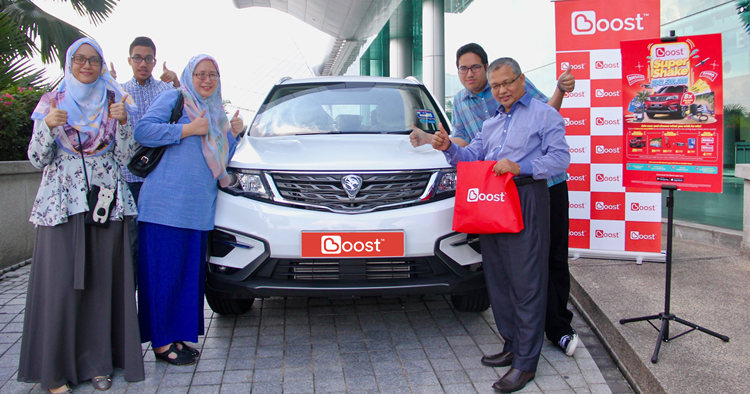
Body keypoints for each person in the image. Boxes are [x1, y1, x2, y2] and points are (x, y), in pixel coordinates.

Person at [414, 42, 580, 358]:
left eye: (506, 83)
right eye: (496, 85)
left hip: (535, 191)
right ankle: (514, 342)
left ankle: (546, 338)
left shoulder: (535, 108)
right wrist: (444, 145)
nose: (501, 89)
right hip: (495, 198)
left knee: (538, 269)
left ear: (520, 81)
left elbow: (557, 147)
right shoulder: (481, 115)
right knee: (502, 274)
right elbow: (471, 151)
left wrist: (522, 166)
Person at [18, 37, 144, 393]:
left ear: (102, 65)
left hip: (105, 203)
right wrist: (46, 126)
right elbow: (37, 158)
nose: (88, 66)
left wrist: (122, 124)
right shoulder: (51, 102)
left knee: (101, 284)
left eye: (94, 60)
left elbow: (125, 156)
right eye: (80, 60)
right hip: (62, 203)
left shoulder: (114, 101)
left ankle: (98, 364)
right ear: (69, 63)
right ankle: (55, 369)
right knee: (60, 286)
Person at [134, 54, 243, 366]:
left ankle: (178, 337)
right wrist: (187, 130)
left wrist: (233, 133)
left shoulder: (216, 112)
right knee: (162, 275)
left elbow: (222, 159)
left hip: (197, 209)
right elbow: (143, 130)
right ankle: (161, 343)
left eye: (212, 74)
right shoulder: (175, 99)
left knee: (185, 277)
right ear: (189, 76)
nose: (206, 80)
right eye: (200, 74)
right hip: (164, 208)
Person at [116, 36, 180, 277]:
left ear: (155, 61)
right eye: (137, 58)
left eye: (148, 58)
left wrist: (176, 81)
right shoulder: (119, 92)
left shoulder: (167, 91)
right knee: (132, 242)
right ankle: (130, 306)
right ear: (129, 60)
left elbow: (188, 111)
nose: (143, 63)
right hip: (130, 178)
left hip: (160, 177)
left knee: (159, 239)